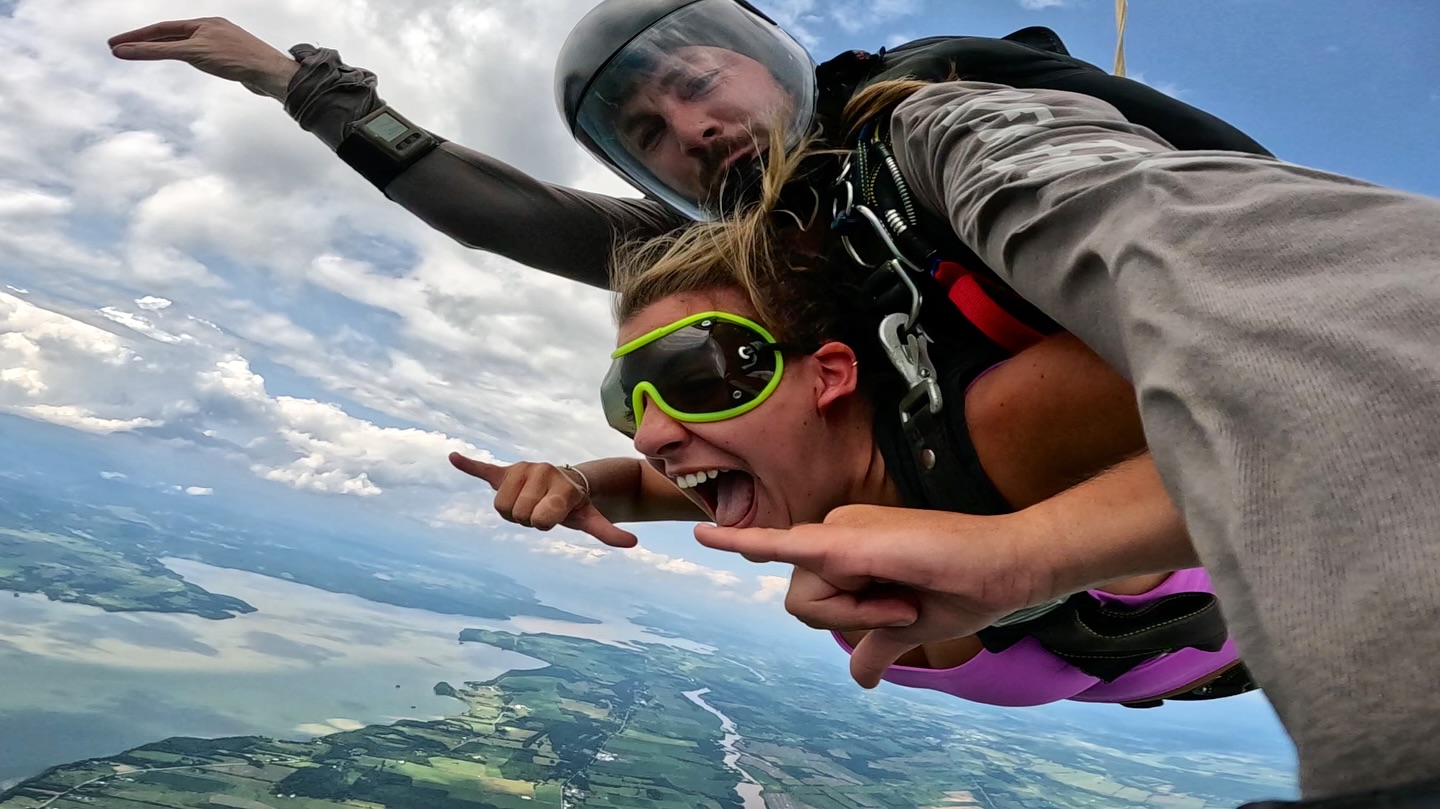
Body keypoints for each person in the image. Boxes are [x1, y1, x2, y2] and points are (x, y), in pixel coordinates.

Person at [452, 168, 1246, 708]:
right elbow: (636, 482)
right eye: (629, 397)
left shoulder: (993, 437)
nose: (655, 432)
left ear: (829, 373)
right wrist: (577, 481)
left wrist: (1022, 552)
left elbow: (1281, 379)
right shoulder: (797, 489)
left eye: (701, 378)